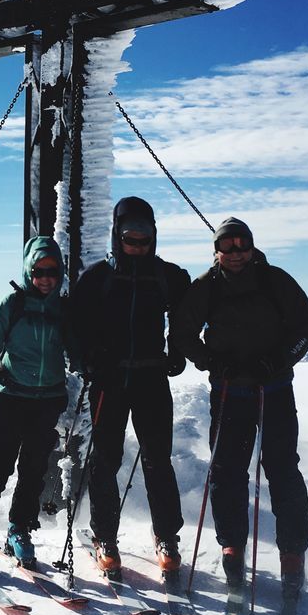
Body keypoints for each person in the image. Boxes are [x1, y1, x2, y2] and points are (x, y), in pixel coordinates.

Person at [172, 216, 308, 598]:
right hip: (229, 392)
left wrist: (278, 361)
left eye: (243, 245)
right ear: (216, 251)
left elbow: (307, 327)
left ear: (252, 247)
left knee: (282, 469)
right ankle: (232, 547)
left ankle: (292, 553)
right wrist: (212, 362)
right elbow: (182, 333)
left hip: (274, 390)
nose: (236, 253)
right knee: (227, 471)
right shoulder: (206, 287)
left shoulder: (275, 280)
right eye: (228, 246)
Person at [70, 197, 191, 578]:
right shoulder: (97, 278)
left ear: (154, 237)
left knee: (158, 459)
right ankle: (104, 537)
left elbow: (187, 315)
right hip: (109, 380)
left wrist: (177, 349)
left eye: (144, 238)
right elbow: (74, 325)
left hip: (151, 378)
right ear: (116, 235)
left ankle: (166, 537)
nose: (136, 245)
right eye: (129, 238)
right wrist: (87, 360)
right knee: (105, 460)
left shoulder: (166, 276)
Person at [0, 236, 74, 574]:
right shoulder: (13, 303)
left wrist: (87, 364)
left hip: (48, 398)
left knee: (33, 471)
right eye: (38, 271)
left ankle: (19, 530)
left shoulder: (62, 309)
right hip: (11, 396)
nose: (45, 278)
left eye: (51, 272)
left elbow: (75, 346)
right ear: (29, 271)